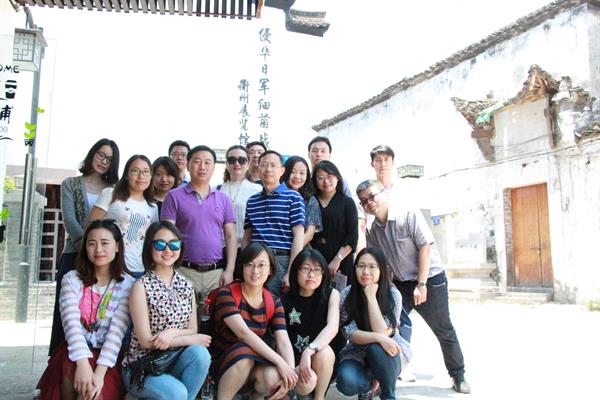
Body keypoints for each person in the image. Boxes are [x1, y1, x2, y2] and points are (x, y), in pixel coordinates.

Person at [356, 179, 471, 394]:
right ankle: (384, 379)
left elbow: (425, 247)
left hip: (429, 279)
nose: (369, 202)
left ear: (383, 193)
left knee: (443, 328)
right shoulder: (372, 229)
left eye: (372, 196)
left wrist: (422, 284)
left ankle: (458, 375)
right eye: (363, 201)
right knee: (391, 329)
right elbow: (379, 261)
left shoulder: (407, 214)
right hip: (400, 284)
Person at [37, 219, 135, 400]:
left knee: (95, 393)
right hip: (74, 352)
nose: (98, 249)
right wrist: (83, 366)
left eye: (105, 243)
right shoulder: (71, 280)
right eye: (92, 243)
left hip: (107, 357)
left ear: (117, 246)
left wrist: (98, 375)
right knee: (70, 370)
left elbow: (116, 334)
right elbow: (71, 326)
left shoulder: (127, 284)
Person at [122, 221, 211, 399]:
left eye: (174, 244)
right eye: (160, 244)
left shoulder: (186, 285)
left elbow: (192, 329)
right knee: (178, 393)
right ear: (149, 247)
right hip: (142, 367)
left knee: (200, 354)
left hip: (173, 360)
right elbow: (146, 341)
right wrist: (189, 339)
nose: (168, 250)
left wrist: (171, 333)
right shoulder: (141, 286)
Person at [49, 138, 120, 355]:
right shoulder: (70, 184)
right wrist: (88, 249)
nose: (104, 161)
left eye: (109, 159)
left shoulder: (114, 190)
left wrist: (101, 251)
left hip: (104, 261)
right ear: (92, 155)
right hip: (75, 254)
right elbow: (70, 221)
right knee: (67, 311)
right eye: (100, 155)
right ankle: (59, 363)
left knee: (98, 312)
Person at [211, 243, 297, 400]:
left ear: (270, 269)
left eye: (261, 265)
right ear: (242, 268)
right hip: (225, 364)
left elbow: (283, 340)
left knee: (274, 377)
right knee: (244, 356)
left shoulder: (274, 301)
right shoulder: (227, 294)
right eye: (249, 265)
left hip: (254, 364)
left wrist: (289, 372)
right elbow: (243, 334)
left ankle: (254, 396)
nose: (255, 271)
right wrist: (280, 361)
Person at [161, 145, 237, 307]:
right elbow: (166, 235)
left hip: (215, 274)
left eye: (207, 162)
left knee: (214, 318)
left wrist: (229, 270)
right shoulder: (174, 196)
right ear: (188, 165)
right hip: (183, 271)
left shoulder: (223, 199)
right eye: (197, 161)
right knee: (183, 318)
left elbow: (231, 237)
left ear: (214, 168)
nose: (202, 166)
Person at [336, 247, 411, 400]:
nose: (365, 272)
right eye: (361, 266)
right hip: (357, 351)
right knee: (346, 381)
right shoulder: (347, 294)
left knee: (376, 349)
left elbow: (383, 331)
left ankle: (388, 395)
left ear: (381, 269)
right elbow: (350, 332)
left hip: (387, 352)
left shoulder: (393, 295)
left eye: (372, 267)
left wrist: (370, 297)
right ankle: (369, 386)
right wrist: (378, 337)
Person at [242, 150, 305, 296]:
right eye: (264, 165)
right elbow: (247, 236)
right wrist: (244, 263)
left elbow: (299, 236)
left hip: (281, 261)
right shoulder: (252, 201)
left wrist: (290, 271)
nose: (268, 169)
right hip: (255, 260)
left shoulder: (294, 197)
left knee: (277, 305)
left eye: (273, 165)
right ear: (258, 168)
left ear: (282, 171)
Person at [282, 248, 340, 400]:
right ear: (296, 271)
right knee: (307, 382)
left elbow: (332, 328)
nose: (311, 274)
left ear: (323, 273)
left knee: (326, 352)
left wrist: (308, 351)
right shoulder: (284, 300)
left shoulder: (331, 295)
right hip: (293, 362)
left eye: (317, 270)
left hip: (319, 357)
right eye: (306, 268)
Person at [88, 155, 159, 278]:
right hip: (109, 267)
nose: (141, 176)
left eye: (146, 172)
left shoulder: (153, 207)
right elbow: (90, 228)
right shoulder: (110, 194)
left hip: (139, 269)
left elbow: (152, 240)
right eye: (135, 171)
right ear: (126, 174)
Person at [310, 161, 358, 277]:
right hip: (314, 260)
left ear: (337, 177)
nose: (326, 181)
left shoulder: (347, 202)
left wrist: (337, 259)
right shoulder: (311, 201)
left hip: (341, 260)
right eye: (320, 178)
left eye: (329, 176)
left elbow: (352, 237)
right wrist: (311, 257)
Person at [218, 145, 261, 251]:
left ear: (248, 164)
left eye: (242, 160)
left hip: (249, 248)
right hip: (221, 248)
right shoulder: (217, 190)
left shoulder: (258, 190)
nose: (237, 163)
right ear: (226, 163)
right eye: (232, 160)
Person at [281, 156, 322, 246]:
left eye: (302, 173)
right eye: (293, 172)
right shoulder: (275, 195)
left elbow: (309, 234)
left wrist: (292, 251)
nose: (297, 177)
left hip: (299, 249)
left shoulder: (310, 200)